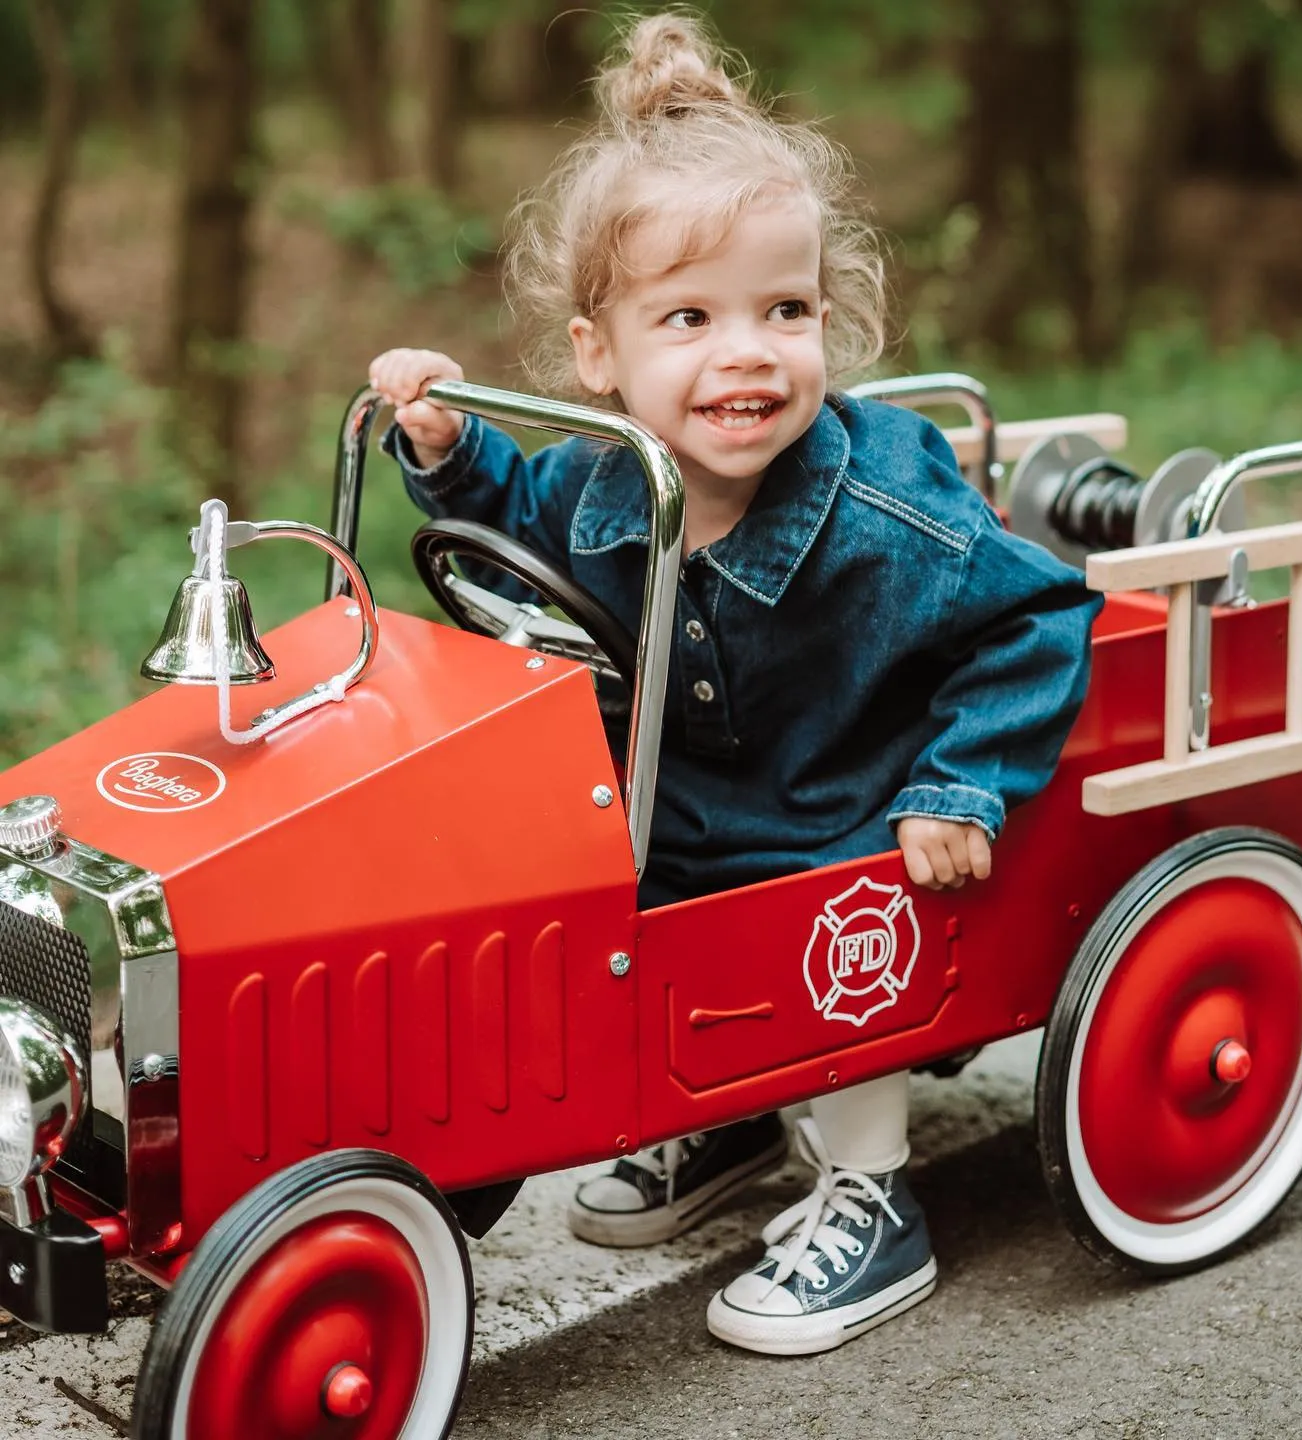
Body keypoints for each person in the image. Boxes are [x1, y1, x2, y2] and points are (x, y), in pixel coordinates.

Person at [369, 9, 1100, 1357]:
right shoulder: (605, 471)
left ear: (834, 318)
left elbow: (1042, 617)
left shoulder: (889, 500)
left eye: (786, 312)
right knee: (590, 893)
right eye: (690, 318)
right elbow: (514, 506)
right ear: (603, 355)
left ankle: (873, 1195)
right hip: (689, 818)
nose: (748, 353)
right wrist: (444, 442)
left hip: (845, 817)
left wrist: (959, 784)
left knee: (837, 918)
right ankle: (723, 1111)